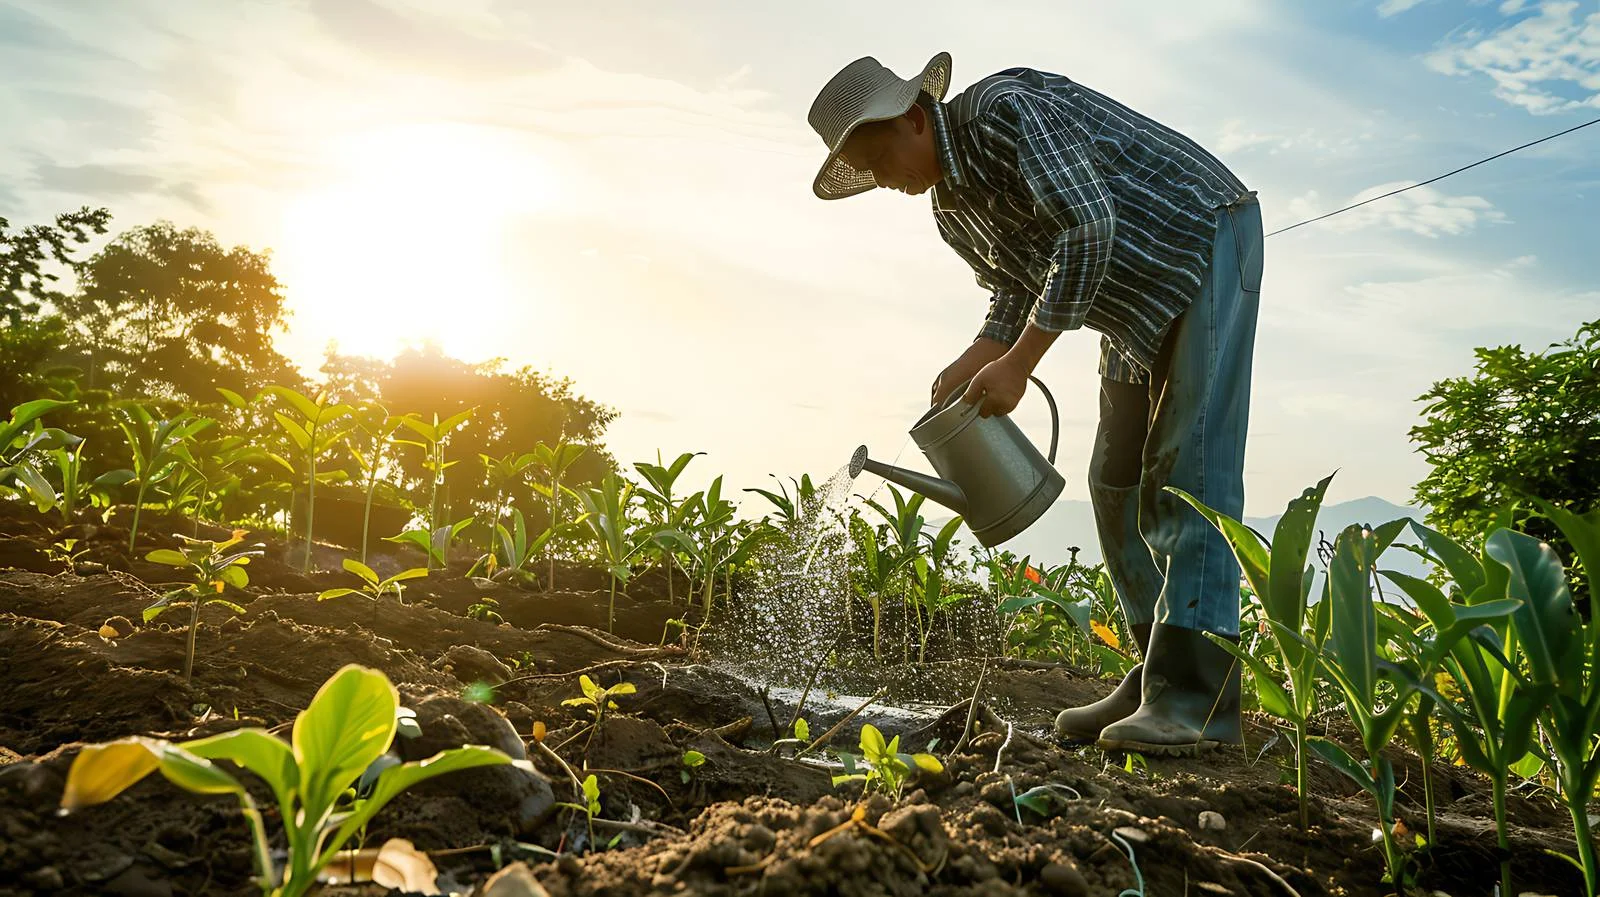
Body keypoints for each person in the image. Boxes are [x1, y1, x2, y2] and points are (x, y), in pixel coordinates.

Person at [807, 52, 1263, 755]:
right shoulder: (951, 214)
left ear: (914, 118)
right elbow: (1014, 290)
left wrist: (1020, 363)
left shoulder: (1004, 114)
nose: (884, 180)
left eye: (880, 158)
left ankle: (1200, 697)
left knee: (1189, 472)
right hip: (1130, 302)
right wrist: (978, 355)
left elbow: (1088, 227)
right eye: (867, 172)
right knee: (1113, 482)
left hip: (1199, 239)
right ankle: (1154, 675)